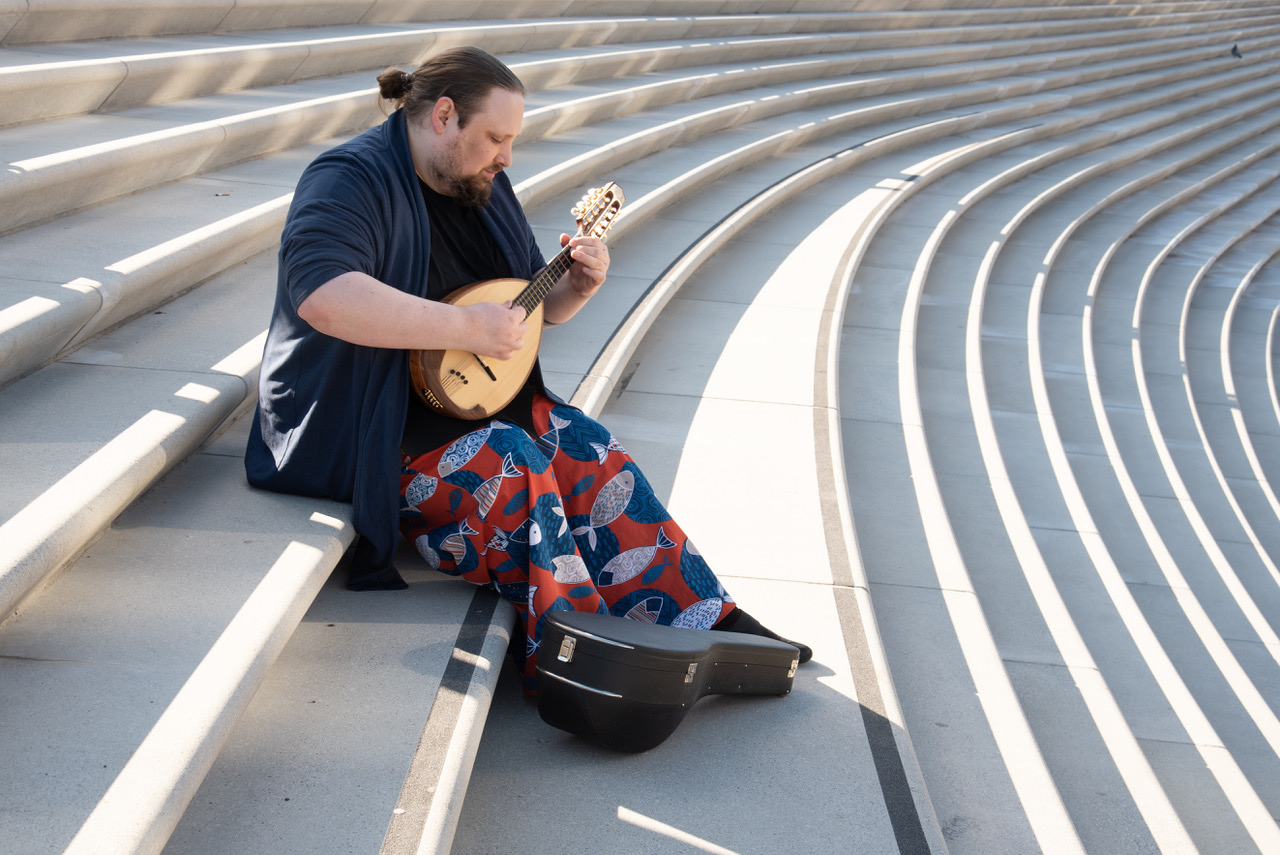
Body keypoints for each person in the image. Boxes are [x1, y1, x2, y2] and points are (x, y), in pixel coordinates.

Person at [245, 46, 810, 692]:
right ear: (444, 116)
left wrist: (575, 288)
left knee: (590, 450)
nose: (506, 156)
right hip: (370, 425)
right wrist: (460, 326)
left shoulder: (479, 183)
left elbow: (523, 313)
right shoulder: (349, 178)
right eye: (496, 138)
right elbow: (322, 293)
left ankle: (709, 618)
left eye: (511, 141)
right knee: (516, 467)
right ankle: (578, 653)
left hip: (467, 401)